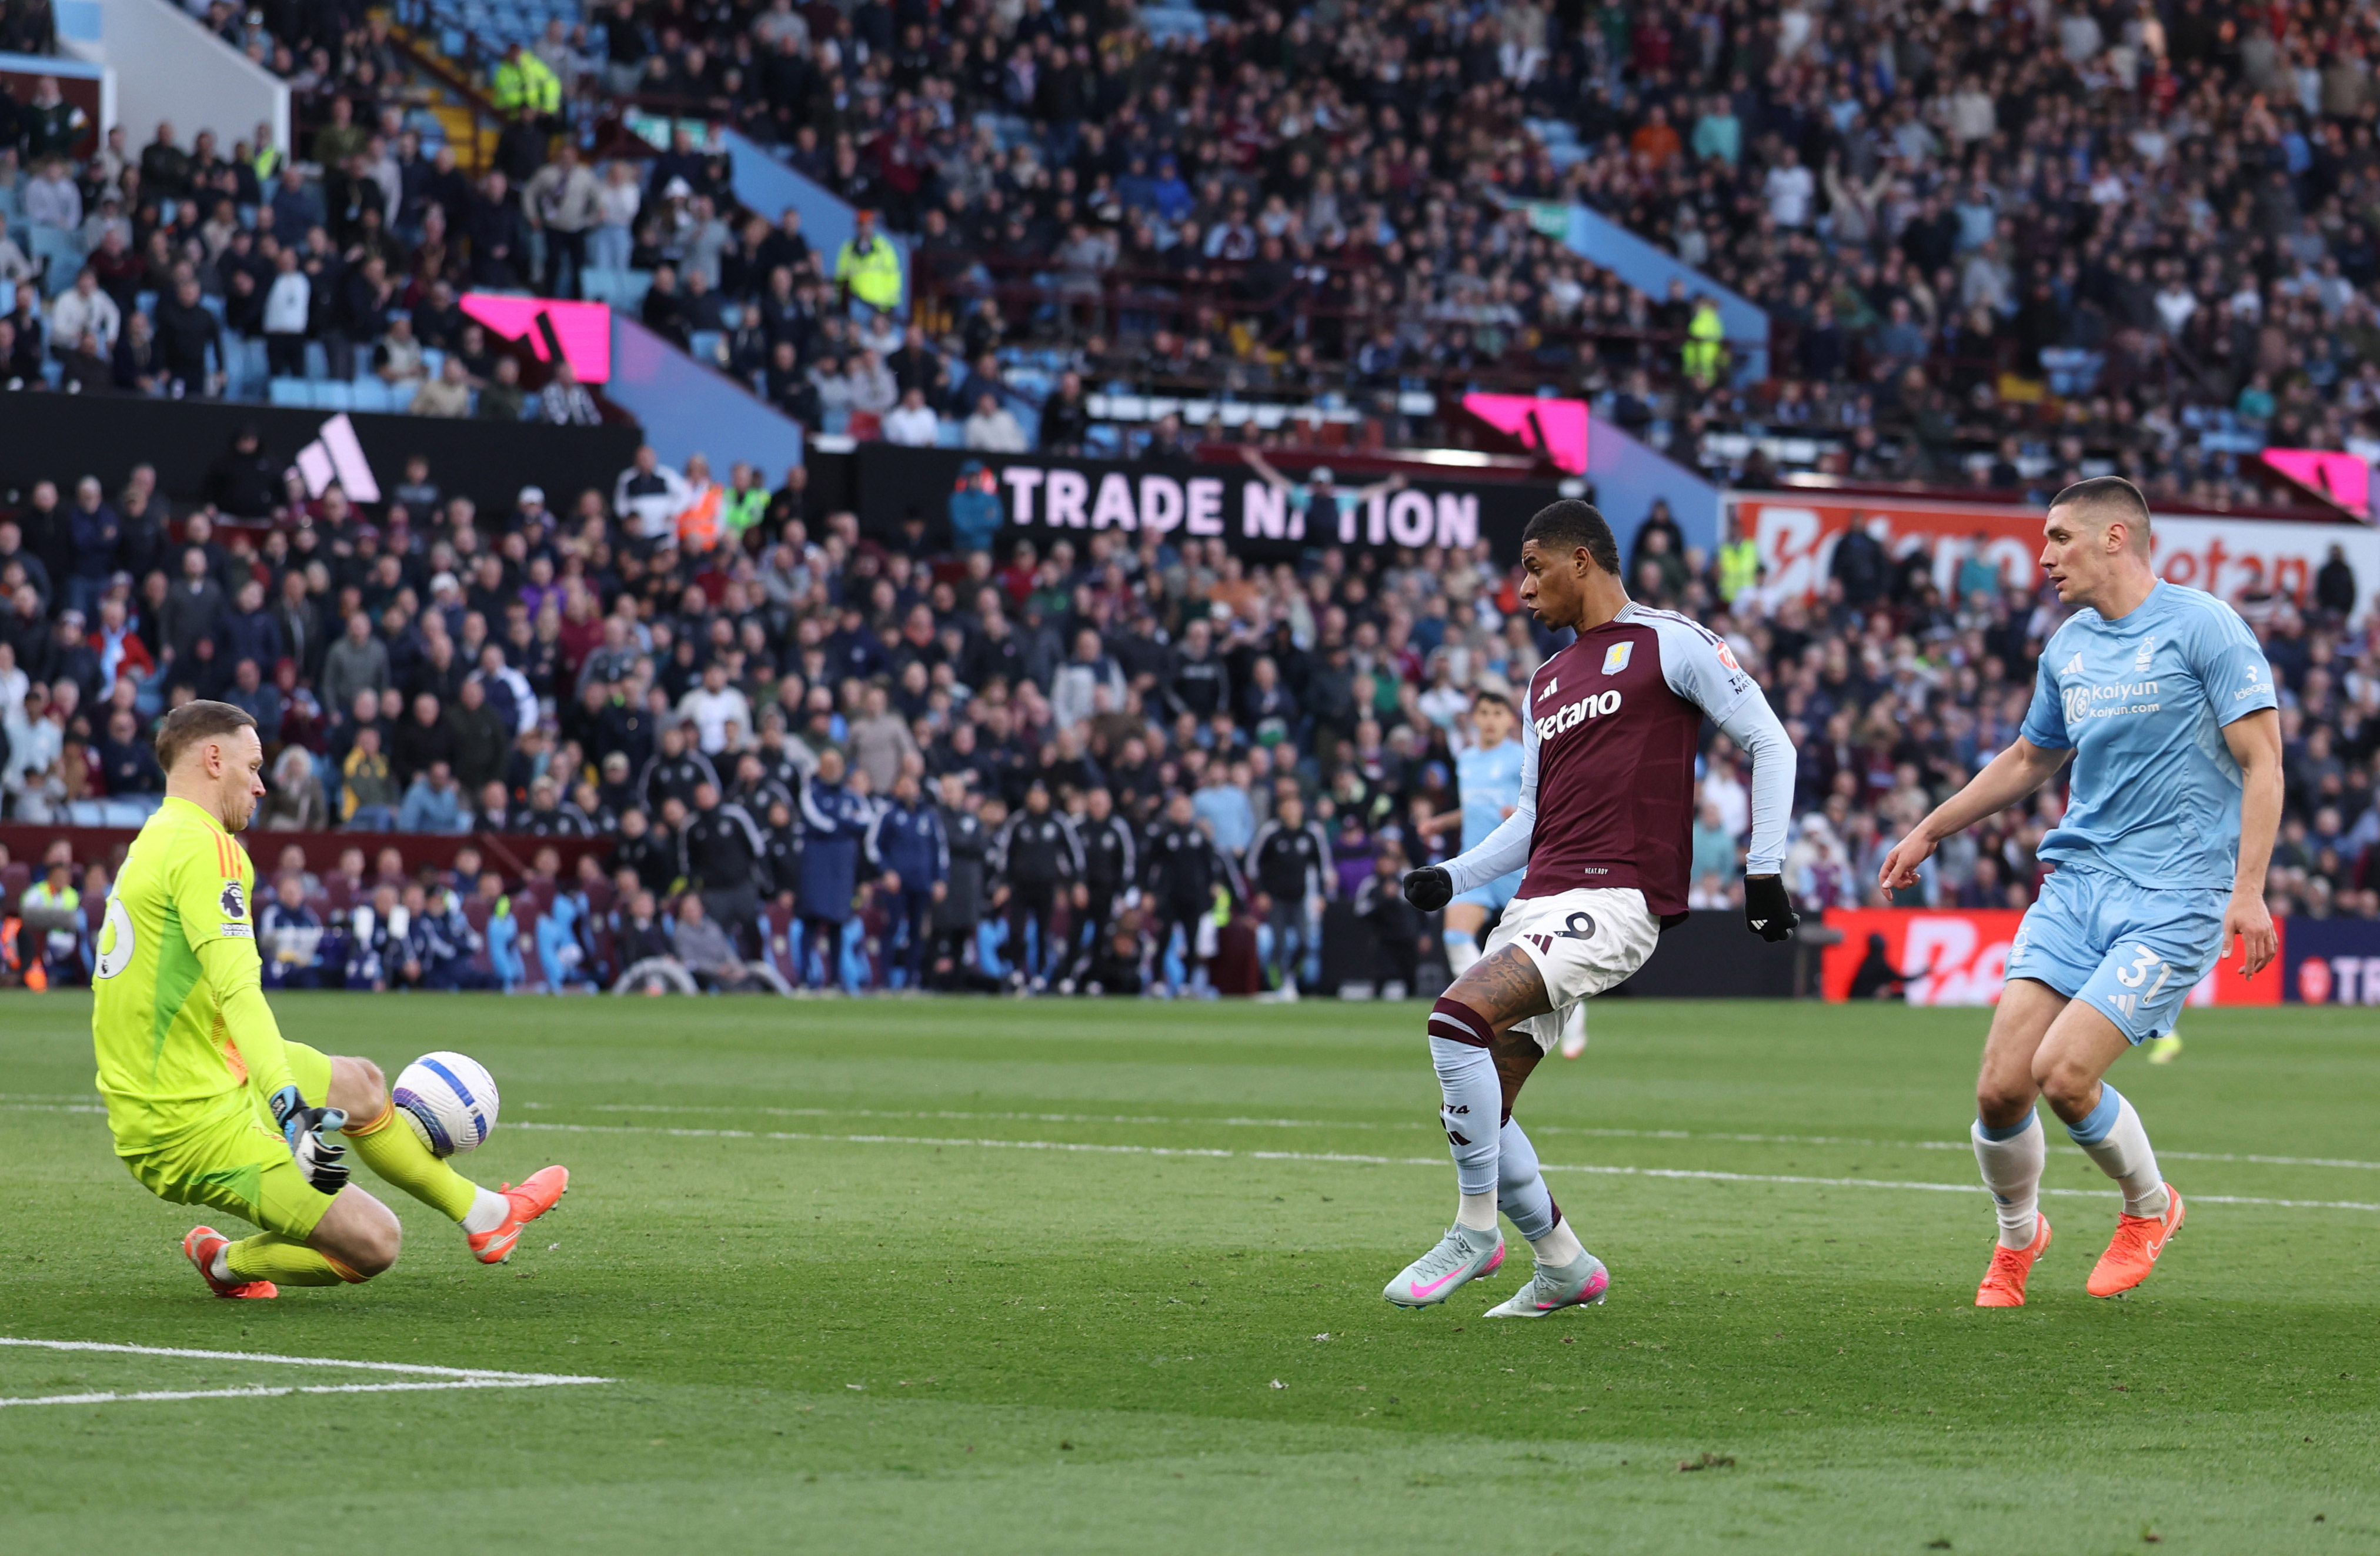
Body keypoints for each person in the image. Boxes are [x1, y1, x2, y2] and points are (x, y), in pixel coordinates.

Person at [1877, 476, 2282, 1308]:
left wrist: (2248, 890)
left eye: (2059, 537)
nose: (2044, 556)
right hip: (2077, 888)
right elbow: (2031, 758)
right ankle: (2018, 1235)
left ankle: (2149, 1207)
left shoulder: (2203, 625)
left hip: (2174, 895)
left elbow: (2263, 761)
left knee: (2063, 1074)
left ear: (2114, 538)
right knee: (1999, 1089)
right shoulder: (2067, 646)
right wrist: (1931, 828)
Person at [1391, 500, 1797, 1315]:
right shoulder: (1544, 682)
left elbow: (1769, 742)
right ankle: (1564, 1264)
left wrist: (1763, 870)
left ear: (1580, 560)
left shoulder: (1670, 641)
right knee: (1481, 1101)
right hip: (1535, 902)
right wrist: (1454, 876)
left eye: (1533, 568)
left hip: (1616, 897)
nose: (1522, 589)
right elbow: (1532, 819)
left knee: (1453, 1019)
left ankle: (1474, 1230)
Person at [88, 701, 569, 1303]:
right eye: (253, 766)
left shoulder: (158, 837)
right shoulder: (209, 850)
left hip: (199, 1069)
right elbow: (239, 992)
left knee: (364, 1086)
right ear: (213, 759)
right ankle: (227, 1263)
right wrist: (289, 1108)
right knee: (375, 1243)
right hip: (187, 1122)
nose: (262, 786)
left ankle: (487, 1216)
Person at [989, 778, 1081, 990]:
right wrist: (1003, 883)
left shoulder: (1059, 822)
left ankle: (1039, 973)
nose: (1037, 799)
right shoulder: (1018, 821)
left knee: (1043, 931)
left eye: (1041, 795)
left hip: (1047, 886)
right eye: (1034, 795)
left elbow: (1073, 856)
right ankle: (1015, 971)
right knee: (1016, 930)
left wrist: (1074, 884)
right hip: (1020, 886)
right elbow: (1005, 855)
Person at [1246, 787, 1333, 1000]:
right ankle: (1278, 984)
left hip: (1300, 898)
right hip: (1276, 899)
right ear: (1281, 810)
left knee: (1304, 942)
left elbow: (1322, 867)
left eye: (1295, 806)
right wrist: (1261, 892)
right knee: (1279, 943)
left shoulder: (1311, 834)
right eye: (1287, 806)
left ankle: (1291, 979)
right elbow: (1253, 865)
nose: (1292, 810)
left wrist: (1321, 894)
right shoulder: (1271, 833)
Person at [863, 770, 947, 989]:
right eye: (903, 785)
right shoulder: (888, 813)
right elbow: (873, 846)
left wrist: (940, 879)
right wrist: (886, 871)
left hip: (922, 882)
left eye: (911, 785)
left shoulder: (929, 816)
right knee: (891, 928)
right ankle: (884, 981)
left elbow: (940, 850)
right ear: (896, 789)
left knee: (917, 932)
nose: (908, 790)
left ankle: (912, 981)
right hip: (896, 884)